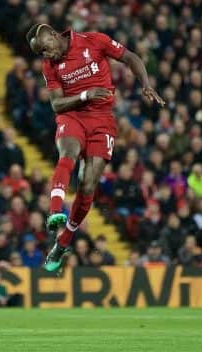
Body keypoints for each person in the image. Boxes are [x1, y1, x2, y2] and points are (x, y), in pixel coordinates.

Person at [25, 24, 165, 273]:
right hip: (72, 115)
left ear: (55, 36)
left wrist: (145, 83)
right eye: (41, 54)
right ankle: (55, 211)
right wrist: (85, 95)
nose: (45, 56)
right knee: (68, 151)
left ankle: (63, 242)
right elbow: (57, 105)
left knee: (88, 183)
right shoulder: (50, 67)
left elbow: (130, 57)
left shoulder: (94, 41)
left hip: (102, 120)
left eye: (45, 49)